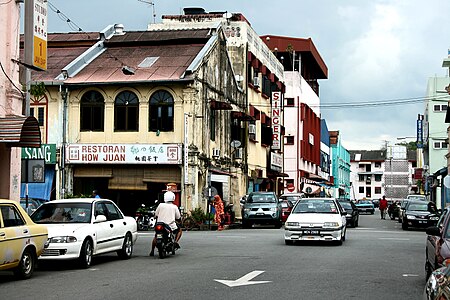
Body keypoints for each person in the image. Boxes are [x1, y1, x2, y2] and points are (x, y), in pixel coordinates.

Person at [149, 191, 182, 256]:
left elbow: (155, 215)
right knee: (180, 230)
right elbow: (178, 217)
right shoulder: (174, 207)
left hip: (159, 225)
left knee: (156, 236)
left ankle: (152, 251)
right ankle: (175, 242)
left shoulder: (160, 205)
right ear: (173, 198)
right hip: (170, 226)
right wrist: (179, 220)